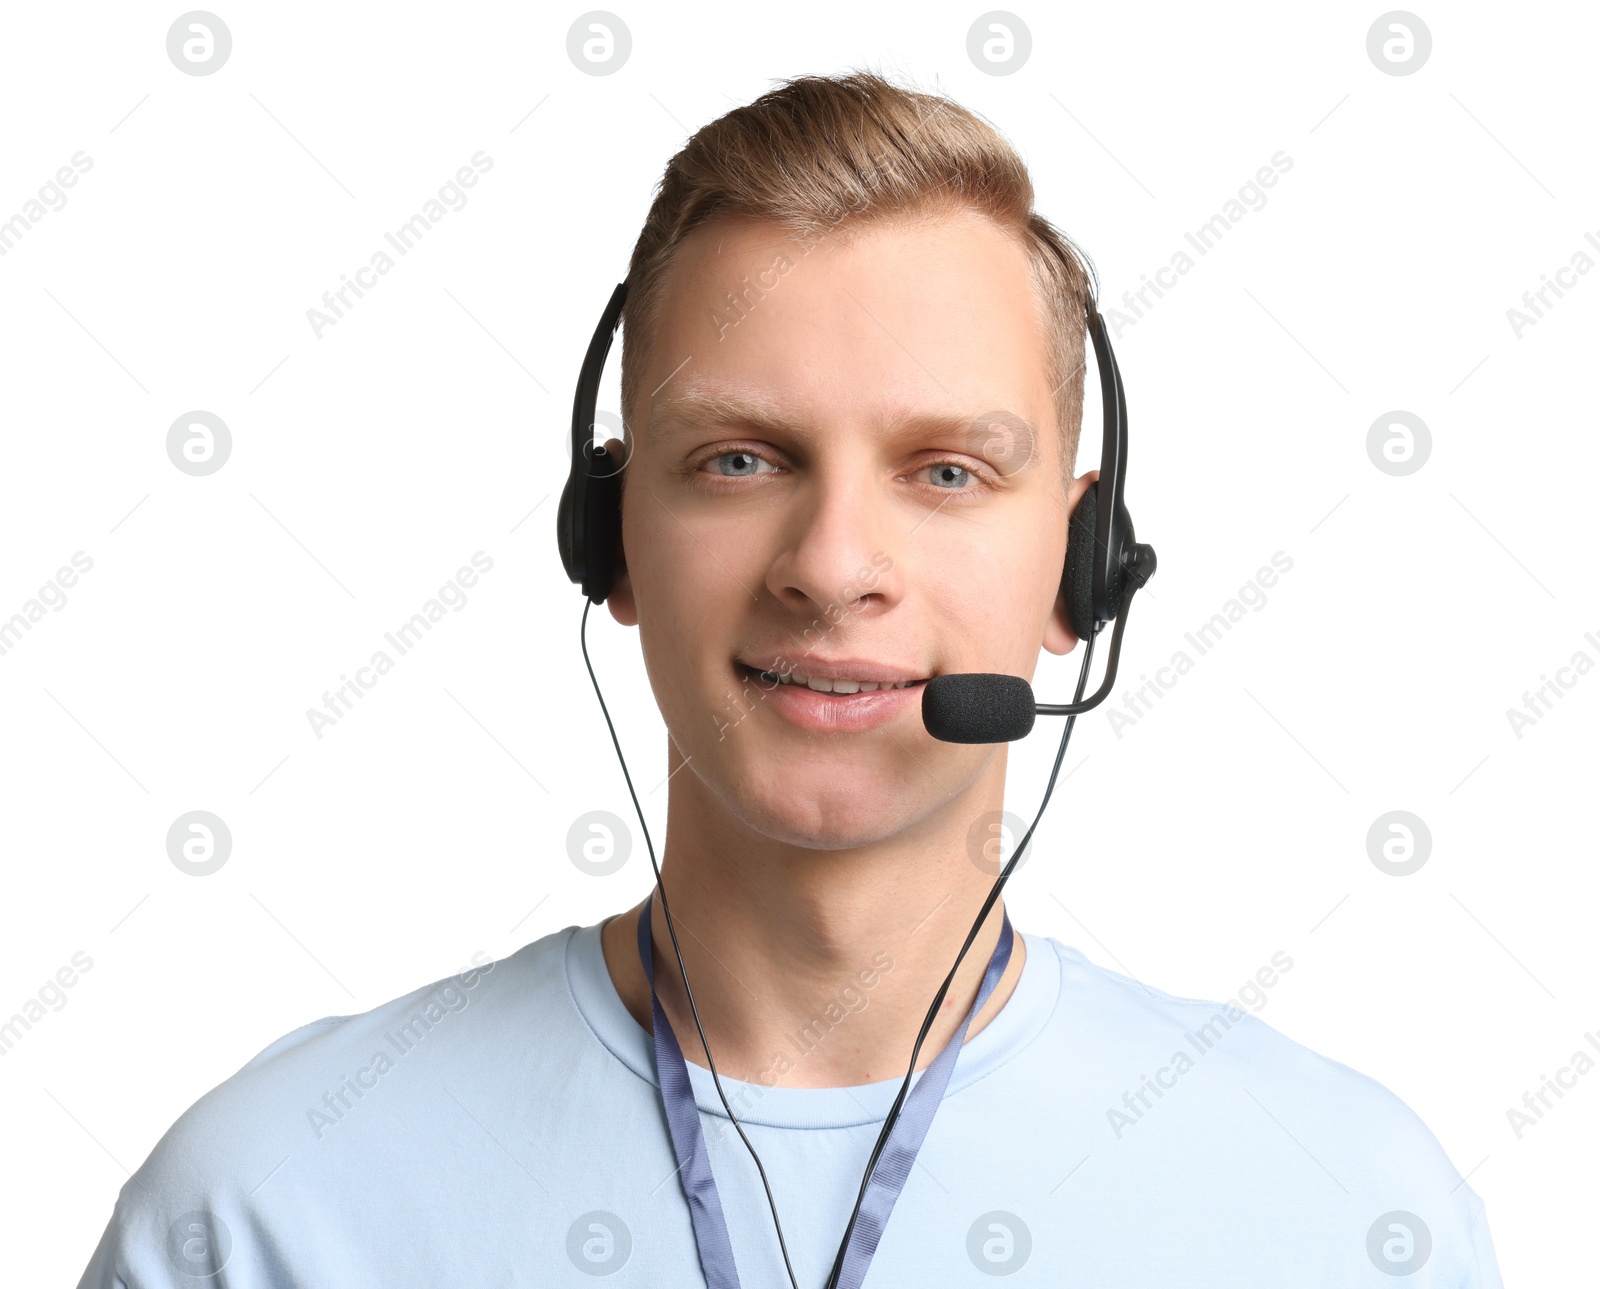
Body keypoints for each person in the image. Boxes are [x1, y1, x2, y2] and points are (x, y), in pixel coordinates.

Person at [78, 70, 1503, 1287]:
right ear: (611, 539)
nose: (833, 566)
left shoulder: (1342, 1214)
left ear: (1080, 565)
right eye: (740, 460)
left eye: (945, 470)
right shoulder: (268, 1212)